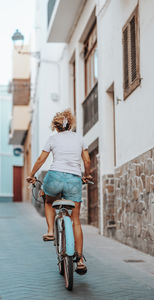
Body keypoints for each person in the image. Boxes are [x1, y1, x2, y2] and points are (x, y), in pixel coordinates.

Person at [27, 109, 92, 274]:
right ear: (70, 124)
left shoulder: (52, 139)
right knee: (75, 220)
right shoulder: (79, 138)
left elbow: (41, 159)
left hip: (54, 177)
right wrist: (87, 175)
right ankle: (81, 261)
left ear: (55, 127)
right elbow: (87, 159)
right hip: (74, 179)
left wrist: (31, 175)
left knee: (48, 200)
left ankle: (50, 231)